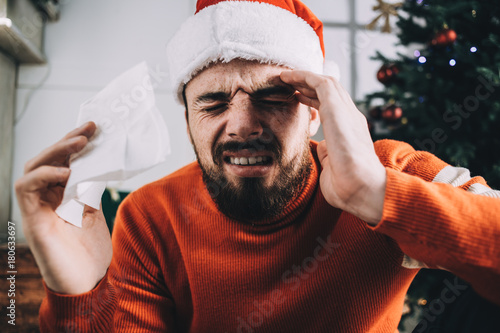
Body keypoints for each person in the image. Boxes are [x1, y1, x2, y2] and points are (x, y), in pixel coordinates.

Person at [14, 0, 500, 332]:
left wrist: (376, 195)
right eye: (213, 103)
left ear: (314, 112)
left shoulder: (390, 169)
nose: (242, 125)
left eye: (272, 96)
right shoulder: (150, 215)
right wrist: (79, 295)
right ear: (188, 122)